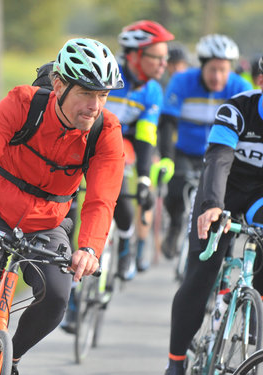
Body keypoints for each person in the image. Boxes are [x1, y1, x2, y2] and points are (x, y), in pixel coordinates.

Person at [0, 38, 126, 375]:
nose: (95, 105)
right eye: (86, 93)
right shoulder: (22, 104)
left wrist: (89, 247)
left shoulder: (105, 131)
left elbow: (102, 196)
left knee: (58, 298)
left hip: (48, 224)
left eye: (103, 95)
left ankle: (10, 358)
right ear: (59, 85)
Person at [164, 56, 263, 375]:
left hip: (259, 196)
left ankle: (253, 319)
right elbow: (218, 160)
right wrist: (211, 206)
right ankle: (175, 362)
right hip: (222, 190)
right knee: (201, 274)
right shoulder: (236, 110)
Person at [158, 34, 252, 260]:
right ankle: (174, 226)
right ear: (201, 66)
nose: (218, 76)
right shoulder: (182, 82)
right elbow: (167, 124)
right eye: (212, 69)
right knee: (174, 191)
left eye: (223, 70)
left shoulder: (240, 87)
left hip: (225, 156)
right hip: (186, 150)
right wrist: (166, 158)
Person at [104, 20, 175, 279]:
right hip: (93, 134)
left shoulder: (154, 90)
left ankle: (125, 241)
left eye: (165, 59)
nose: (163, 65)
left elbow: (146, 137)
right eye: (157, 58)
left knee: (119, 194)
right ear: (134, 56)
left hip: (125, 141)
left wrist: (144, 179)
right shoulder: (108, 75)